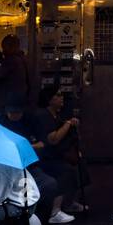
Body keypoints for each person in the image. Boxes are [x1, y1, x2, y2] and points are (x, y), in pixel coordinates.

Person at [0, 101, 74, 225]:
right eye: (11, 113)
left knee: (50, 182)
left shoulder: (30, 121)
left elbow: (43, 142)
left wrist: (25, 147)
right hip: (5, 166)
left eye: (17, 112)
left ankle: (44, 219)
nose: (14, 116)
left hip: (29, 163)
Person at [31, 86, 87, 215]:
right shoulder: (43, 115)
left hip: (60, 154)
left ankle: (69, 202)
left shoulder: (58, 115)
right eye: (57, 95)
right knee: (65, 171)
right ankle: (55, 210)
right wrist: (67, 124)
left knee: (79, 167)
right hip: (47, 157)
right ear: (49, 99)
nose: (61, 97)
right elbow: (53, 139)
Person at [0, 35, 30, 109]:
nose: (3, 50)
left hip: (8, 101)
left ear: (10, 46)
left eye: (4, 47)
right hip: (19, 99)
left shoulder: (11, 60)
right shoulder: (22, 59)